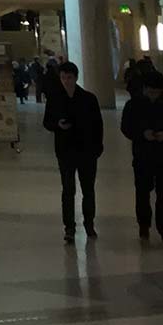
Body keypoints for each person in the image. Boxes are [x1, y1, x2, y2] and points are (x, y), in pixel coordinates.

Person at [42, 61, 103, 244]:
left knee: (88, 189)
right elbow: (47, 122)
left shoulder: (88, 99)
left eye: (69, 78)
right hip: (65, 150)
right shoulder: (55, 98)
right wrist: (57, 125)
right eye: (63, 78)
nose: (66, 81)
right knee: (68, 190)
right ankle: (69, 227)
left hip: (86, 151)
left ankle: (89, 223)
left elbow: (98, 125)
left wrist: (97, 147)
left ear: (76, 78)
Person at [120, 67, 163, 244]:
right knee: (142, 194)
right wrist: (142, 134)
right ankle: (144, 226)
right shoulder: (133, 106)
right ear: (144, 89)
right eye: (151, 91)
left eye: (157, 92)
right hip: (142, 157)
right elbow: (126, 128)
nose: (154, 95)